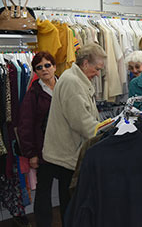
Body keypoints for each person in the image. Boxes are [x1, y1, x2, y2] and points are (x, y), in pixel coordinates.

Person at [41, 43, 106, 226]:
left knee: (71, 203)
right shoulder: (72, 82)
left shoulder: (75, 79)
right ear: (85, 63)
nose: (98, 73)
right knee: (70, 205)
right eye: (97, 68)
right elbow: (82, 123)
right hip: (67, 155)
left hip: (69, 151)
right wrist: (107, 131)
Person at [17, 51, 57, 227]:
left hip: (67, 148)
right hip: (44, 149)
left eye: (47, 65)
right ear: (35, 72)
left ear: (54, 66)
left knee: (67, 189)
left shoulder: (65, 85)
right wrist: (31, 154)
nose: (44, 69)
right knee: (43, 191)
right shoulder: (33, 94)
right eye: (39, 67)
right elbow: (26, 125)